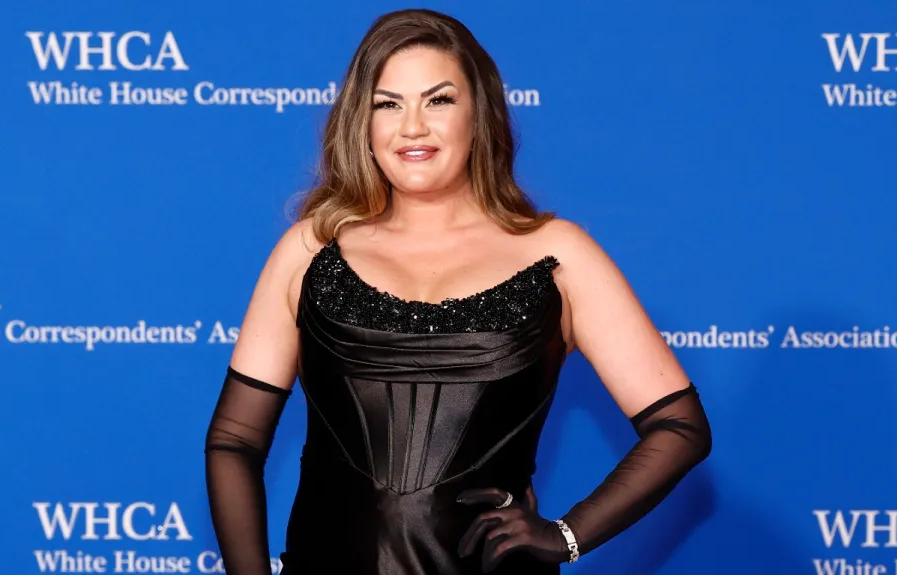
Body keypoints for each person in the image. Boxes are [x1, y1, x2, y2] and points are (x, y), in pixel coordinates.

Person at [204, 8, 711, 575]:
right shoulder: (310, 251)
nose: (412, 126)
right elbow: (234, 441)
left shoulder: (557, 255)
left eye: (438, 100)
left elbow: (680, 427)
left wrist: (567, 536)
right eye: (387, 103)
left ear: (480, 115)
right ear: (363, 124)